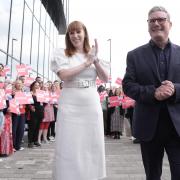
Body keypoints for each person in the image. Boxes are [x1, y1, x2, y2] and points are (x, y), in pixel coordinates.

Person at [122, 6, 180, 180]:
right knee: (152, 176)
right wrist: (153, 92)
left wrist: (175, 89)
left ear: (170, 23)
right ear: (148, 26)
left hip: (177, 127)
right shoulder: (134, 55)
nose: (156, 23)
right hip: (149, 127)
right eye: (152, 20)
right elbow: (128, 85)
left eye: (161, 19)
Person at [51, 20, 109, 180]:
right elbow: (63, 75)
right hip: (70, 102)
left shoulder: (92, 54)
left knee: (91, 143)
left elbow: (105, 78)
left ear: (85, 34)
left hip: (91, 102)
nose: (75, 35)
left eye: (78, 32)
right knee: (68, 142)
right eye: (71, 33)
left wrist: (95, 60)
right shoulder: (61, 53)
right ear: (68, 36)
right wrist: (86, 64)